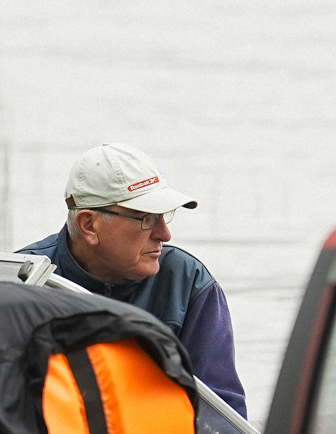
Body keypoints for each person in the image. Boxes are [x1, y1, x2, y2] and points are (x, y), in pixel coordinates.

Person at [19, 143, 248, 416]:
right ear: (89, 225)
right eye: (147, 219)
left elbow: (224, 423)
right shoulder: (23, 280)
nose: (165, 234)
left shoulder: (190, 284)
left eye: (164, 216)